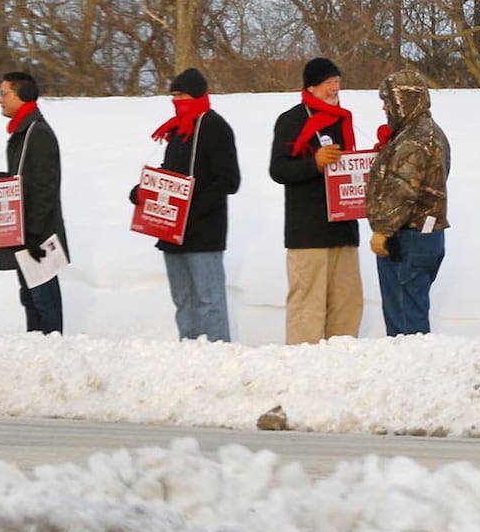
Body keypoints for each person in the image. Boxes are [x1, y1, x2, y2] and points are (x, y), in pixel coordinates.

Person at [131, 67, 241, 341]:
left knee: (208, 298)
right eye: (173, 96)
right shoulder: (178, 130)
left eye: (181, 95)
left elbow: (229, 180)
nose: (176, 101)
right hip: (172, 231)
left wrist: (193, 209)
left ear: (196, 95)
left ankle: (216, 354)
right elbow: (170, 173)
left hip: (204, 231)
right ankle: (188, 353)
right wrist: (145, 191)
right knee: (183, 299)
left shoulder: (216, 127)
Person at [267, 57, 363, 343]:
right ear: (311, 87)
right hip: (307, 233)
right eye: (328, 83)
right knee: (307, 305)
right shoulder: (291, 120)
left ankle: (342, 363)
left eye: (337, 82)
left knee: (347, 304)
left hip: (343, 230)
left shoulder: (343, 120)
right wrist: (314, 163)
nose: (335, 88)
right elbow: (278, 169)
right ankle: (300, 367)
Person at [0, 71, 67, 334]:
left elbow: (44, 188)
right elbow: (23, 177)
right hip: (26, 231)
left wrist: (32, 234)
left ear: (23, 96)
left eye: (4, 93)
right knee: (30, 297)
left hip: (36, 234)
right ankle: (35, 351)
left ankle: (51, 352)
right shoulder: (23, 130)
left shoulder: (36, 133)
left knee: (43, 298)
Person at [365, 67, 451, 336]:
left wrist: (383, 230)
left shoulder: (413, 139)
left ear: (404, 101)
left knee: (404, 323)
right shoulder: (430, 132)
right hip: (427, 234)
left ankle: (413, 373)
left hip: (408, 238)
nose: (385, 109)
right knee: (411, 311)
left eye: (388, 102)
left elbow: (403, 189)